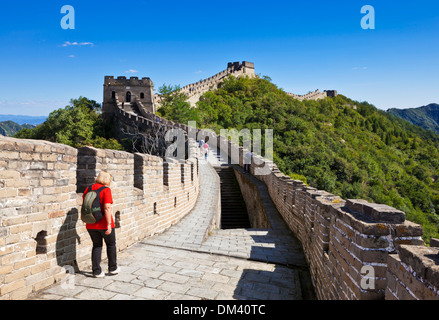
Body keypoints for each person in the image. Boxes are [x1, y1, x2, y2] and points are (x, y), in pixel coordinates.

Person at [82, 171, 120, 278]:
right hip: (104, 224)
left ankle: (96, 271)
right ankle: (113, 268)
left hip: (91, 223)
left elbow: (85, 206)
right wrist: (109, 224)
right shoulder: (106, 190)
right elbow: (107, 208)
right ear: (107, 180)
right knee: (111, 245)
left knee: (96, 245)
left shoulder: (88, 189)